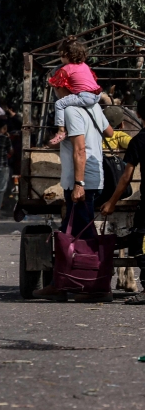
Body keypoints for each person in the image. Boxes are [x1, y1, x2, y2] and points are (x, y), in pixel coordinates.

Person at [35, 85, 112, 301]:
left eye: (56, 89)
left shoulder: (70, 111)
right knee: (70, 233)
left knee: (82, 236)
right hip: (94, 179)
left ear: (63, 89)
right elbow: (110, 132)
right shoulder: (95, 106)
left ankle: (97, 287)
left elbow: (80, 149)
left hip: (81, 182)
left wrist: (78, 184)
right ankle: (60, 283)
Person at [101, 99, 145, 304]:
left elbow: (126, 177)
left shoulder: (140, 141)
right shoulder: (129, 139)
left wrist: (111, 202)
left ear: (139, 115)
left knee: (138, 245)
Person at [47, 37, 101, 146]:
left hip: (85, 96)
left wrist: (49, 80)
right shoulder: (85, 66)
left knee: (59, 104)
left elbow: (56, 82)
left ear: (65, 55)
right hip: (97, 95)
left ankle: (61, 131)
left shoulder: (66, 69)